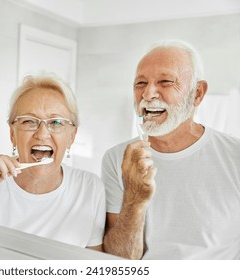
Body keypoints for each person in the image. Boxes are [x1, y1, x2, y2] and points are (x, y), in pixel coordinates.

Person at [102, 40, 240, 259]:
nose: (148, 94)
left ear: (197, 94)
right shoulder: (116, 158)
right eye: (140, 83)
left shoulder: (235, 157)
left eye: (165, 82)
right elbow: (120, 261)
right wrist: (134, 199)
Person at [0, 73, 106, 251]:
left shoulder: (90, 188)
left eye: (56, 122)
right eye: (29, 121)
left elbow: (93, 263)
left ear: (71, 136)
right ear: (12, 134)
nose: (42, 134)